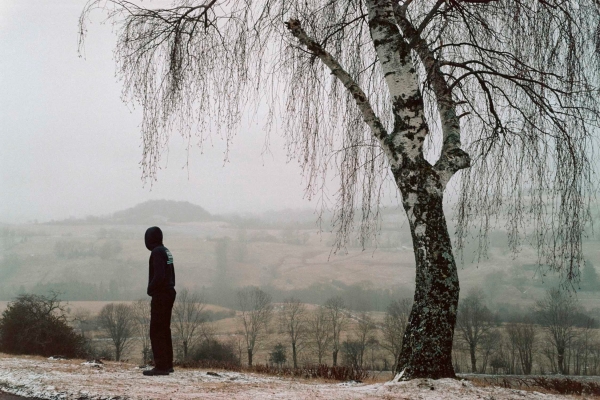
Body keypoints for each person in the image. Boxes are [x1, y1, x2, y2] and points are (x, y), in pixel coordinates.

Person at [143, 226, 176, 376]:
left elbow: (159, 275)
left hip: (161, 294)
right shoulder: (166, 251)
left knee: (156, 330)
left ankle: (161, 366)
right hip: (169, 292)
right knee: (164, 329)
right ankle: (168, 364)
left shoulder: (156, 252)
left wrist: (151, 288)